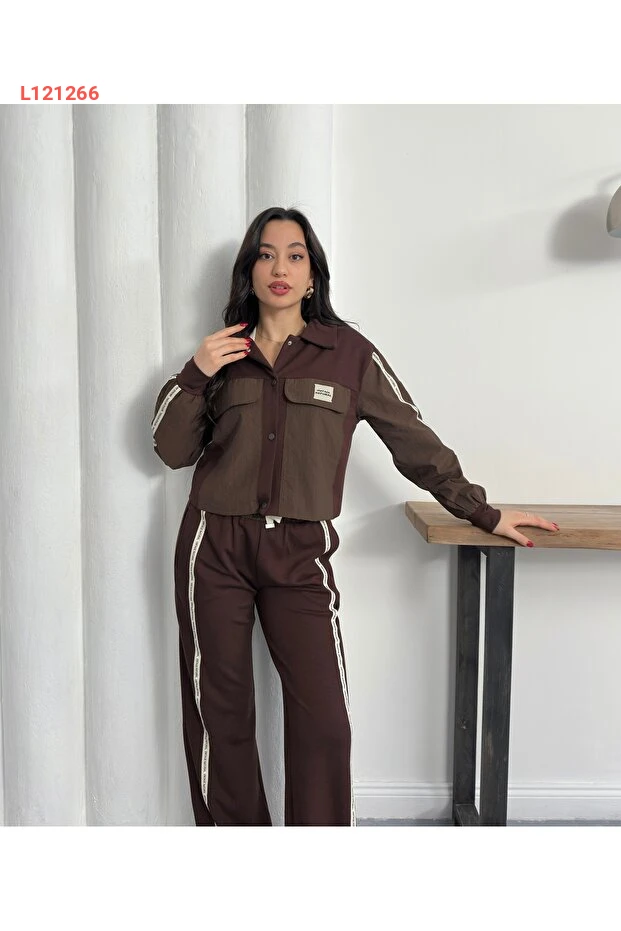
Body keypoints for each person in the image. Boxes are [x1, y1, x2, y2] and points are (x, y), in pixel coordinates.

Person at [151, 205, 559, 827]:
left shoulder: (350, 355)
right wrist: (196, 373)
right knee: (220, 713)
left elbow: (411, 438)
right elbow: (172, 451)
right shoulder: (220, 354)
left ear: (313, 274)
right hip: (215, 548)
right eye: (266, 254)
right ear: (249, 271)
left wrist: (480, 510)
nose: (280, 267)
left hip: (300, 554)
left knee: (324, 722)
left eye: (295, 255)